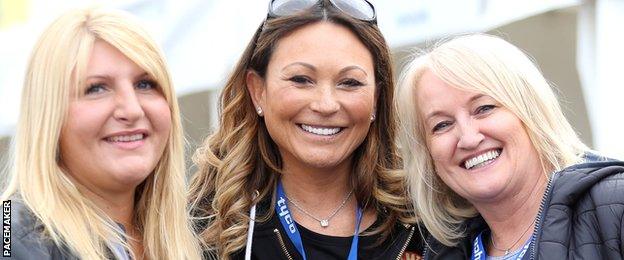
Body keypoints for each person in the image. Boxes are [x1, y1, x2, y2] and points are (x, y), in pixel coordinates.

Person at [189, 0, 422, 259]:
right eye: (301, 80)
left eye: (349, 82)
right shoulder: (203, 229)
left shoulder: (428, 220)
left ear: (376, 99)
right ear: (258, 91)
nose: (325, 105)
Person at [396, 33, 624, 259]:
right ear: (427, 154)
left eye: (484, 108)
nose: (468, 138)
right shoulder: (440, 252)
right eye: (442, 125)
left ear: (531, 110)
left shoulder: (615, 207)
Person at [0, 8, 202, 260]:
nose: (131, 109)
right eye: (96, 88)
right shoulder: (11, 238)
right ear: (49, 115)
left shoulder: (198, 238)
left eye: (145, 84)